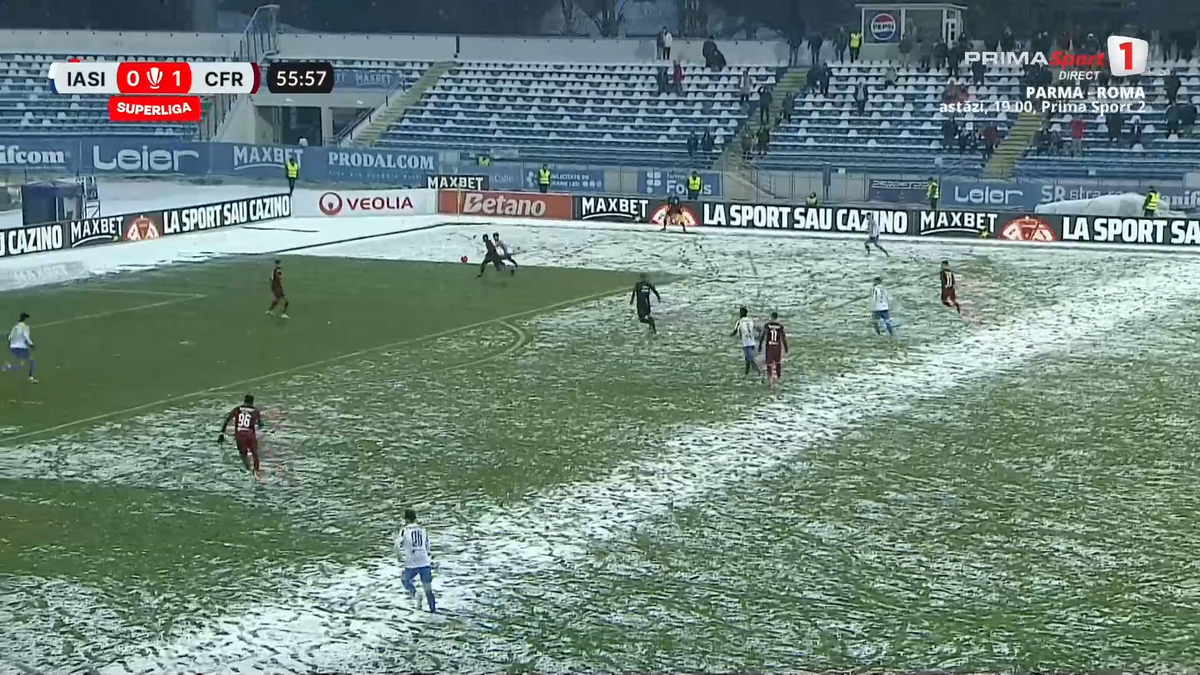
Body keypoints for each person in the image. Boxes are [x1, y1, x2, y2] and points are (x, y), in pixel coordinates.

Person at [395, 509, 437, 612]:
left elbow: (397, 545)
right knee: (428, 589)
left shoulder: (405, 530)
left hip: (411, 562)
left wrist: (399, 556)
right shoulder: (422, 529)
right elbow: (428, 546)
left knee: (405, 579)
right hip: (424, 561)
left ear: (406, 520)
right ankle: (433, 610)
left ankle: (415, 593)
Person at [218, 394, 265, 479]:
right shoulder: (255, 411)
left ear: (244, 401)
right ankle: (256, 471)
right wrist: (260, 424)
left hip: (239, 435)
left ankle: (248, 470)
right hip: (250, 435)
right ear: (252, 402)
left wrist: (222, 433)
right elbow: (260, 424)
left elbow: (227, 419)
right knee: (255, 454)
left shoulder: (237, 409)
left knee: (243, 454)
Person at [757, 311, 788, 390]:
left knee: (769, 365)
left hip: (770, 347)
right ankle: (778, 379)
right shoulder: (780, 326)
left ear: (771, 317)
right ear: (777, 318)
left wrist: (760, 345)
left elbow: (763, 335)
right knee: (778, 363)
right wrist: (786, 348)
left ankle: (770, 380)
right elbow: (783, 338)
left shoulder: (767, 325)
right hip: (777, 347)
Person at [6, 312, 36, 383]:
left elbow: (9, 337)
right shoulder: (25, 327)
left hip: (13, 347)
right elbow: (26, 337)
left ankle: (8, 366)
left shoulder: (15, 327)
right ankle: (31, 377)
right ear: (25, 319)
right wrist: (31, 344)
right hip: (21, 347)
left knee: (20, 362)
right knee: (31, 360)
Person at [731, 307, 761, 376]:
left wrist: (728, 336)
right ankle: (746, 373)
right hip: (752, 342)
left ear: (741, 313)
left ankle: (758, 372)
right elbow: (758, 329)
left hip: (746, 343)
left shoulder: (739, 322)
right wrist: (758, 336)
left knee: (750, 359)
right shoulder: (750, 320)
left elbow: (734, 332)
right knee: (747, 360)